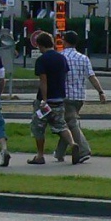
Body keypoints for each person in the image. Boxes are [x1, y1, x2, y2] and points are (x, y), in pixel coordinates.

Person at [54, 32, 105, 165]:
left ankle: (84, 150)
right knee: (68, 122)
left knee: (70, 123)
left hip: (65, 96)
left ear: (64, 41)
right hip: (79, 97)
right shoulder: (83, 58)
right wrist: (100, 91)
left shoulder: (60, 57)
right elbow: (91, 76)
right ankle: (59, 153)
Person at [29, 31, 76, 165]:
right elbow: (64, 76)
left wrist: (44, 99)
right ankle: (73, 144)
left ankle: (40, 155)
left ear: (40, 45)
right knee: (61, 125)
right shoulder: (61, 58)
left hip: (46, 101)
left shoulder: (42, 60)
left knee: (38, 127)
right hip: (59, 98)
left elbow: (43, 81)